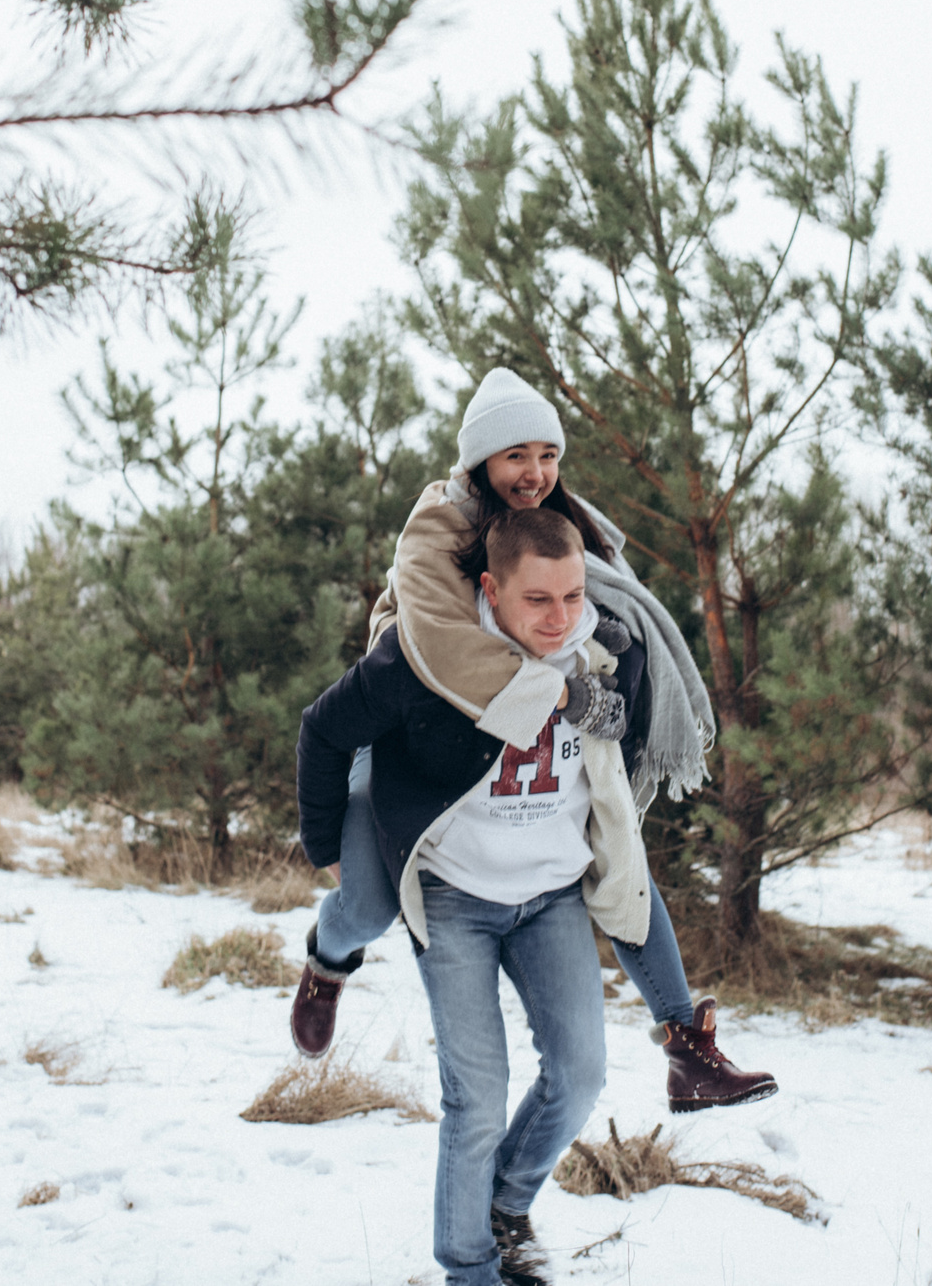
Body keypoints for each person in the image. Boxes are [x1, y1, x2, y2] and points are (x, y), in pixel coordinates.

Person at [289, 367, 774, 1114]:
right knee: (367, 906)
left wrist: (614, 678)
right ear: (481, 457)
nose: (536, 473)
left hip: (521, 768)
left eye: (549, 454)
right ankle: (327, 958)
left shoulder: (564, 519)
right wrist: (566, 686)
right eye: (517, 455)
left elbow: (607, 608)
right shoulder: (439, 521)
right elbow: (443, 645)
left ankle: (686, 1040)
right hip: (409, 736)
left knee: (615, 847)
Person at [297, 507, 641, 1286]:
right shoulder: (430, 653)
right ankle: (469, 1268)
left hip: (550, 896)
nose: (559, 619)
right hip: (454, 896)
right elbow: (324, 730)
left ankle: (503, 1204)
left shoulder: (601, 649)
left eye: (572, 596)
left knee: (581, 1072)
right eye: (537, 601)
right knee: (477, 1097)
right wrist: (327, 849)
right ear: (491, 589)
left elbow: (632, 753)